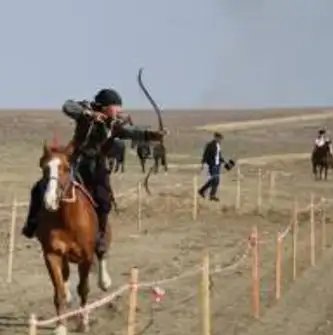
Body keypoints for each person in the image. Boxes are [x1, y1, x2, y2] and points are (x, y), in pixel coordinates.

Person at [21, 88, 167, 254]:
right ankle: (32, 224)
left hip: (97, 165)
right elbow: (67, 106)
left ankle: (100, 235)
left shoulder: (114, 123)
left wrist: (152, 135)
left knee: (104, 200)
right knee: (40, 187)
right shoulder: (86, 111)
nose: (119, 110)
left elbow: (132, 132)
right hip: (75, 161)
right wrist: (89, 114)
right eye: (116, 106)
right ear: (104, 107)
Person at [198, 132, 225, 201]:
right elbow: (205, 155)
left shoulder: (218, 146)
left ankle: (203, 191)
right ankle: (211, 195)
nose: (220, 140)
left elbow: (219, 156)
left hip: (217, 165)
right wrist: (203, 164)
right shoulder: (210, 145)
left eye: (220, 139)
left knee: (215, 180)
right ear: (216, 138)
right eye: (219, 138)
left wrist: (224, 161)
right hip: (212, 165)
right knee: (215, 179)